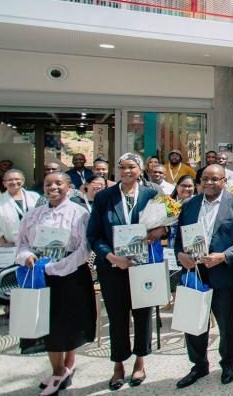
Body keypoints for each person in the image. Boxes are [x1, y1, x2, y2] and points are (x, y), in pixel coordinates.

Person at [86, 153, 165, 389]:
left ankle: (140, 360)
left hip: (143, 266)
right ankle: (118, 364)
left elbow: (167, 226)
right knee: (117, 316)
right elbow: (94, 235)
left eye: (132, 167)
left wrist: (159, 232)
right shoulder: (105, 197)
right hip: (113, 267)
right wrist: (111, 257)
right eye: (122, 167)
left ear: (140, 169)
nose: (127, 171)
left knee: (142, 314)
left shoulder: (152, 195)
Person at [16, 172, 95, 396]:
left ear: (68, 187)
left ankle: (68, 366)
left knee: (69, 324)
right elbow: (21, 243)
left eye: (59, 183)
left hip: (70, 276)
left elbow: (85, 248)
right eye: (48, 183)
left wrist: (58, 267)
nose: (53, 187)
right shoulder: (34, 215)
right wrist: (27, 257)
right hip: (40, 275)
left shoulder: (79, 213)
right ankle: (57, 371)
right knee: (47, 326)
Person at [174, 164, 233, 387]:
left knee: (226, 323)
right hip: (193, 272)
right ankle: (199, 365)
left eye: (214, 179)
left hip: (223, 272)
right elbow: (178, 236)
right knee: (194, 322)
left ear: (224, 181)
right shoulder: (189, 205)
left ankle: (227, 364)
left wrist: (225, 256)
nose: (209, 182)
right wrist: (180, 254)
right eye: (205, 178)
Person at [0, 169, 39, 247]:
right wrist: (2, 242)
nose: (14, 182)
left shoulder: (35, 196)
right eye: (10, 180)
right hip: (10, 245)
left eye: (17, 179)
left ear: (23, 181)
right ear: (4, 183)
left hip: (35, 243)